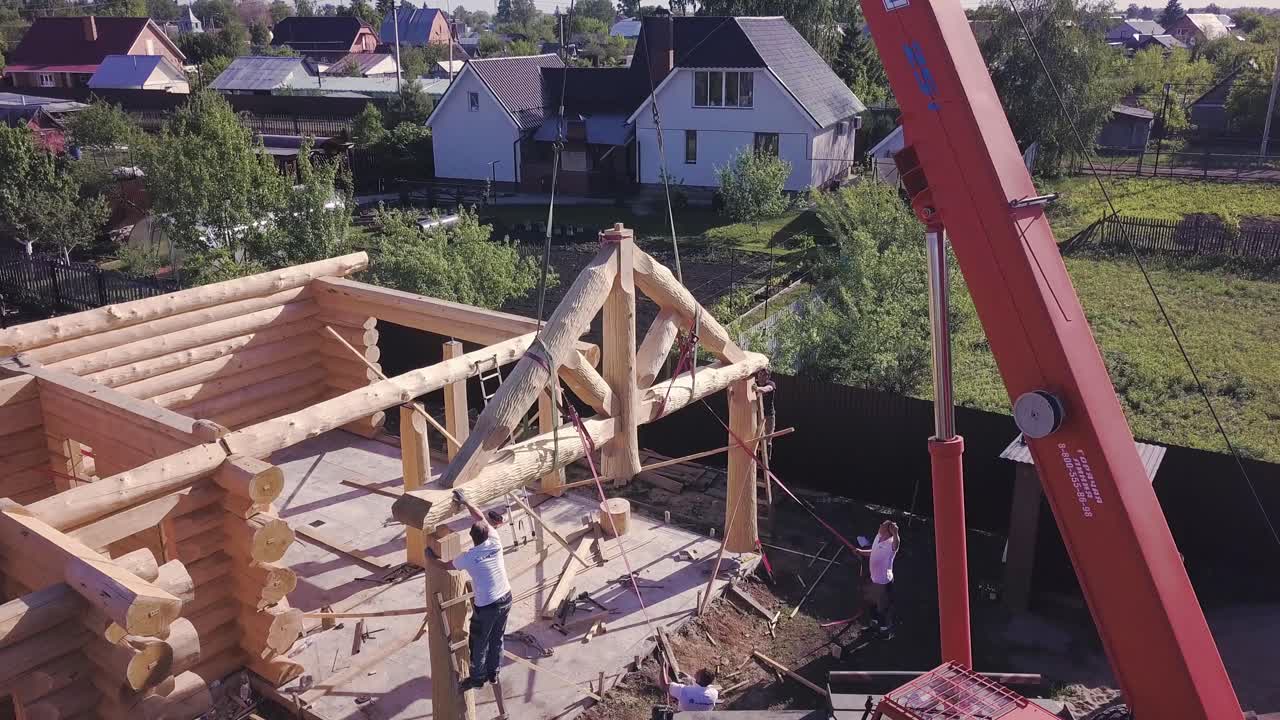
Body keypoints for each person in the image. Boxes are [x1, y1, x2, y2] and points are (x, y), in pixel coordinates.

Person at [424, 491, 512, 692]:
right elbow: (480, 517)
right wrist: (466, 502)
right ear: (487, 533)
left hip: (488, 605)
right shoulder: (495, 540)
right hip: (506, 597)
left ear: (473, 539)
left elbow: (446, 566)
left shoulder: (469, 557)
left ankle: (477, 679)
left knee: (479, 642)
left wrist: (429, 558)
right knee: (497, 637)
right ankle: (493, 672)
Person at [854, 519, 900, 634]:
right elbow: (873, 551)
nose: (880, 525)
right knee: (872, 604)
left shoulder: (891, 544)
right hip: (874, 579)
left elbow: (896, 544)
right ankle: (874, 625)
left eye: (883, 525)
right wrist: (861, 552)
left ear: (888, 531)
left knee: (882, 609)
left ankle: (884, 631)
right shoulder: (878, 536)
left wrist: (896, 533)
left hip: (883, 582)